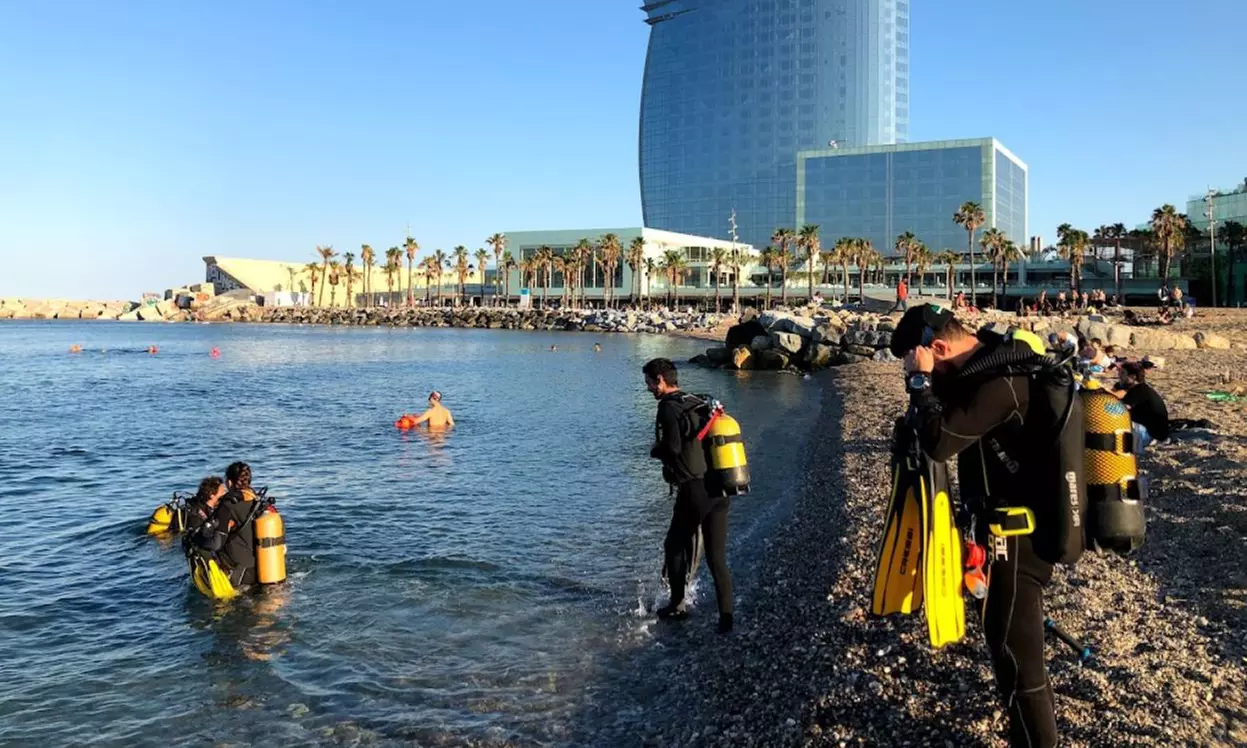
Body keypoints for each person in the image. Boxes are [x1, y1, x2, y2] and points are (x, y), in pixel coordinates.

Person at [889, 305, 1075, 747]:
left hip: (1016, 543)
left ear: (937, 348)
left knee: (1018, 661)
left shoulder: (999, 383)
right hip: (999, 535)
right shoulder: (989, 368)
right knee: (1010, 655)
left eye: (927, 363)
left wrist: (918, 382)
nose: (927, 374)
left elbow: (940, 443)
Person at [642, 357, 734, 634]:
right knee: (717, 558)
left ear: (659, 380)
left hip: (694, 491)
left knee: (673, 545)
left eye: (648, 382)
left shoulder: (668, 408)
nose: (647, 388)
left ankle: (677, 605)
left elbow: (671, 447)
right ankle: (726, 619)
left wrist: (653, 450)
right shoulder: (696, 401)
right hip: (720, 487)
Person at [192, 462, 261, 587]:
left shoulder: (227, 506)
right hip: (264, 567)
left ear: (229, 482)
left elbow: (216, 543)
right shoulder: (259, 502)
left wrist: (197, 539)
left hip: (240, 574)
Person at [1113, 361, 1169, 453]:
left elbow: (1119, 409)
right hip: (1155, 432)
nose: (1119, 375)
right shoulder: (1141, 388)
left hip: (1151, 435)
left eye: (1122, 373)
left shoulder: (1138, 390)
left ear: (1133, 377)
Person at [182, 476, 226, 550]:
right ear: (212, 496)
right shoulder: (195, 515)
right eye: (222, 493)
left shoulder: (201, 505)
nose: (225, 494)